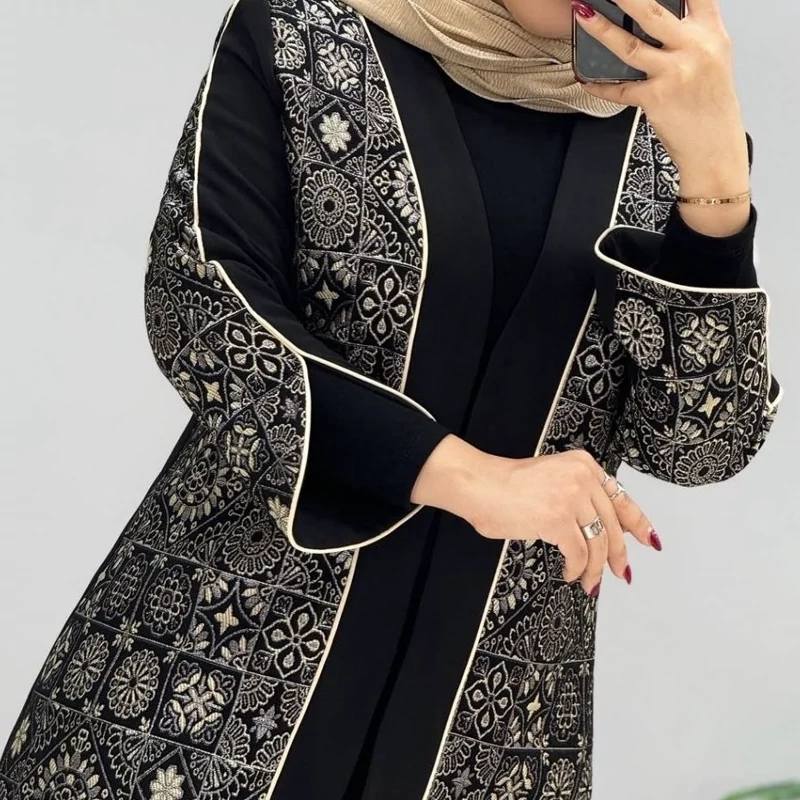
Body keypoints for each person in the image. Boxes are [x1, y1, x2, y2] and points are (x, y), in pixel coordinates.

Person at [0, 0, 782, 797]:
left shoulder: (668, 136)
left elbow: (701, 446)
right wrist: (465, 476)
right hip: (207, 696)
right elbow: (202, 303)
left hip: (493, 739)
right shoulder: (305, 33)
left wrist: (719, 185)